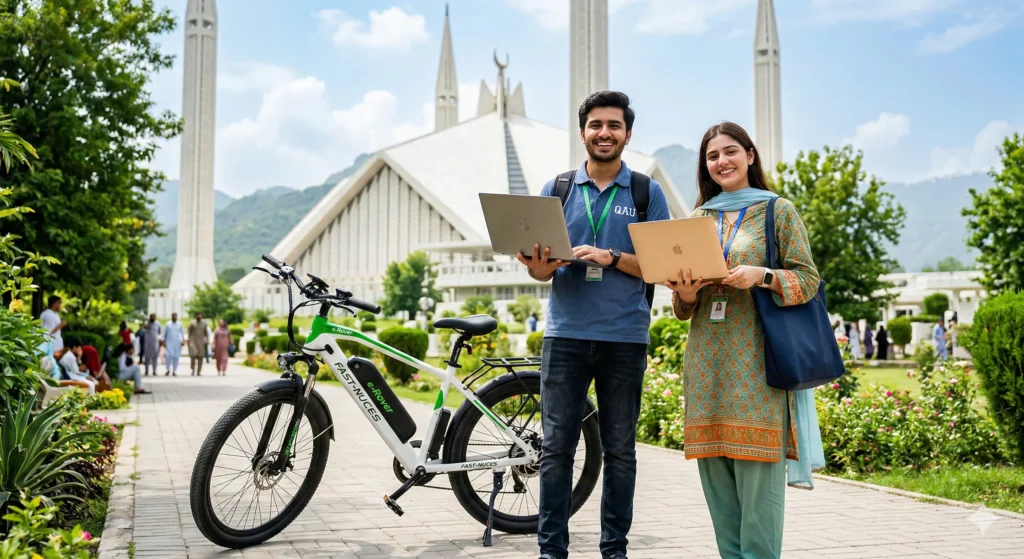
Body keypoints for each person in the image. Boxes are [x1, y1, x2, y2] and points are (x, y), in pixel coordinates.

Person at [518, 90, 670, 559]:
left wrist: (611, 257)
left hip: (624, 337)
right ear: (583, 130)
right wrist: (542, 265)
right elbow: (537, 271)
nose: (605, 133)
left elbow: (660, 266)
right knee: (557, 448)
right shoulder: (556, 189)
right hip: (565, 335)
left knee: (620, 450)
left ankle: (614, 550)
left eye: (614, 126)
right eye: (596, 125)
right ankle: (551, 550)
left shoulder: (646, 192)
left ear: (627, 134)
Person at [666, 121, 823, 559]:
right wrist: (685, 293)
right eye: (713, 156)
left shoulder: (778, 211)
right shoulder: (697, 219)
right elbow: (683, 310)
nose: (722, 161)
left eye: (730, 151)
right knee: (719, 491)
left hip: (758, 368)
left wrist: (763, 275)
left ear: (750, 155)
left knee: (759, 495)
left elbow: (808, 280)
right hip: (706, 367)